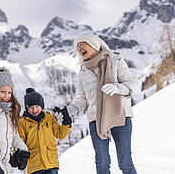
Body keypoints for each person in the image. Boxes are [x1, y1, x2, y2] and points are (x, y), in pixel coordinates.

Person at [58, 33, 137, 174]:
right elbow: (81, 100)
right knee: (102, 164)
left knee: (125, 163)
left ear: (93, 43)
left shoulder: (115, 60)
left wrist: (116, 88)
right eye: (77, 46)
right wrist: (66, 111)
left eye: (82, 44)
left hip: (120, 115)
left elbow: (132, 85)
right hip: (97, 120)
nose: (79, 48)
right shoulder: (82, 72)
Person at [18, 88, 72, 174]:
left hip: (51, 163)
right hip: (35, 166)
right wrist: (19, 156)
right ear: (26, 108)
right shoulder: (23, 123)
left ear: (41, 106)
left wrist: (66, 122)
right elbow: (19, 141)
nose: (34, 110)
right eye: (31, 107)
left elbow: (60, 134)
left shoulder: (49, 119)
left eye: (37, 107)